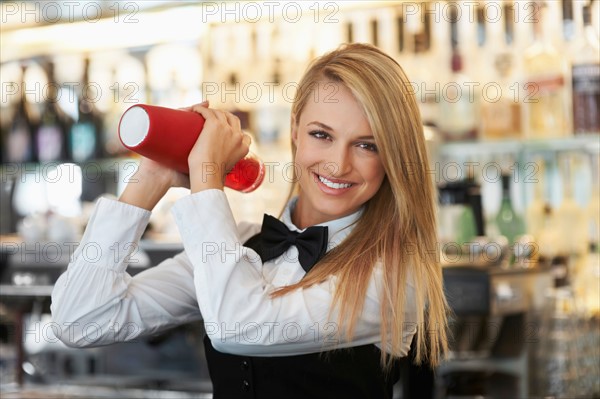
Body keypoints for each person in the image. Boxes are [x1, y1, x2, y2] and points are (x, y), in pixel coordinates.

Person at [51, 43, 449, 398]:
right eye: (321, 135)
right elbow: (80, 320)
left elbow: (236, 326)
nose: (337, 163)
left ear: (394, 157)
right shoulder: (238, 245)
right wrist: (151, 175)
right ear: (294, 131)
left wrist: (206, 174)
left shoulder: (396, 276)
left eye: (367, 145)